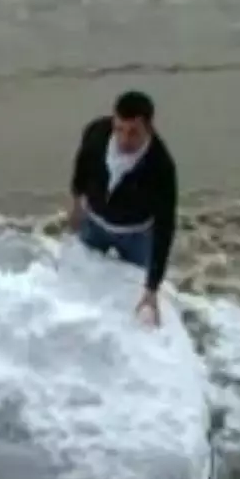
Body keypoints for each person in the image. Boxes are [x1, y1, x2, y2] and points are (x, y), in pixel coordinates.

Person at [67, 90, 178, 327]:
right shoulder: (97, 132)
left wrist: (151, 290)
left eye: (133, 133)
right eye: (119, 129)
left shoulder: (161, 166)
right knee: (78, 276)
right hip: (94, 223)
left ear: (148, 128)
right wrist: (76, 201)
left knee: (131, 289)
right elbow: (81, 166)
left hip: (136, 235)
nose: (124, 139)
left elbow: (165, 226)